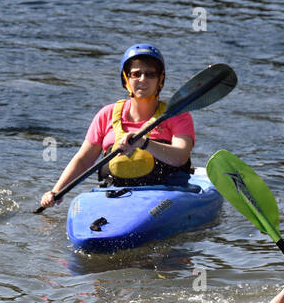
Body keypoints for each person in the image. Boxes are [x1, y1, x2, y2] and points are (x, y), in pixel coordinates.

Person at [39, 43, 195, 210]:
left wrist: (144, 143)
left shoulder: (177, 115)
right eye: (136, 74)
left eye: (150, 74)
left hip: (166, 195)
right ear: (126, 79)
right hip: (116, 194)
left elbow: (181, 157)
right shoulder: (106, 115)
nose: (143, 79)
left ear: (160, 80)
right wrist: (56, 191)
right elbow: (83, 160)